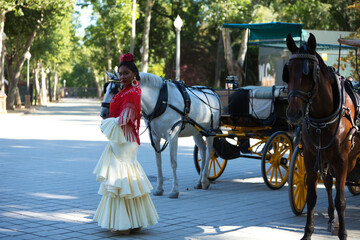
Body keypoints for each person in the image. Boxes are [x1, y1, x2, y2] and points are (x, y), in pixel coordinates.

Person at [93, 53, 159, 234]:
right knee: (128, 177)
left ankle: (123, 224)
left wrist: (107, 124)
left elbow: (125, 118)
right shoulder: (127, 90)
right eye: (120, 73)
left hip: (124, 138)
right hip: (124, 138)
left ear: (134, 74)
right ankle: (134, 220)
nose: (122, 76)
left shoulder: (132, 92)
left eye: (126, 73)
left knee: (120, 178)